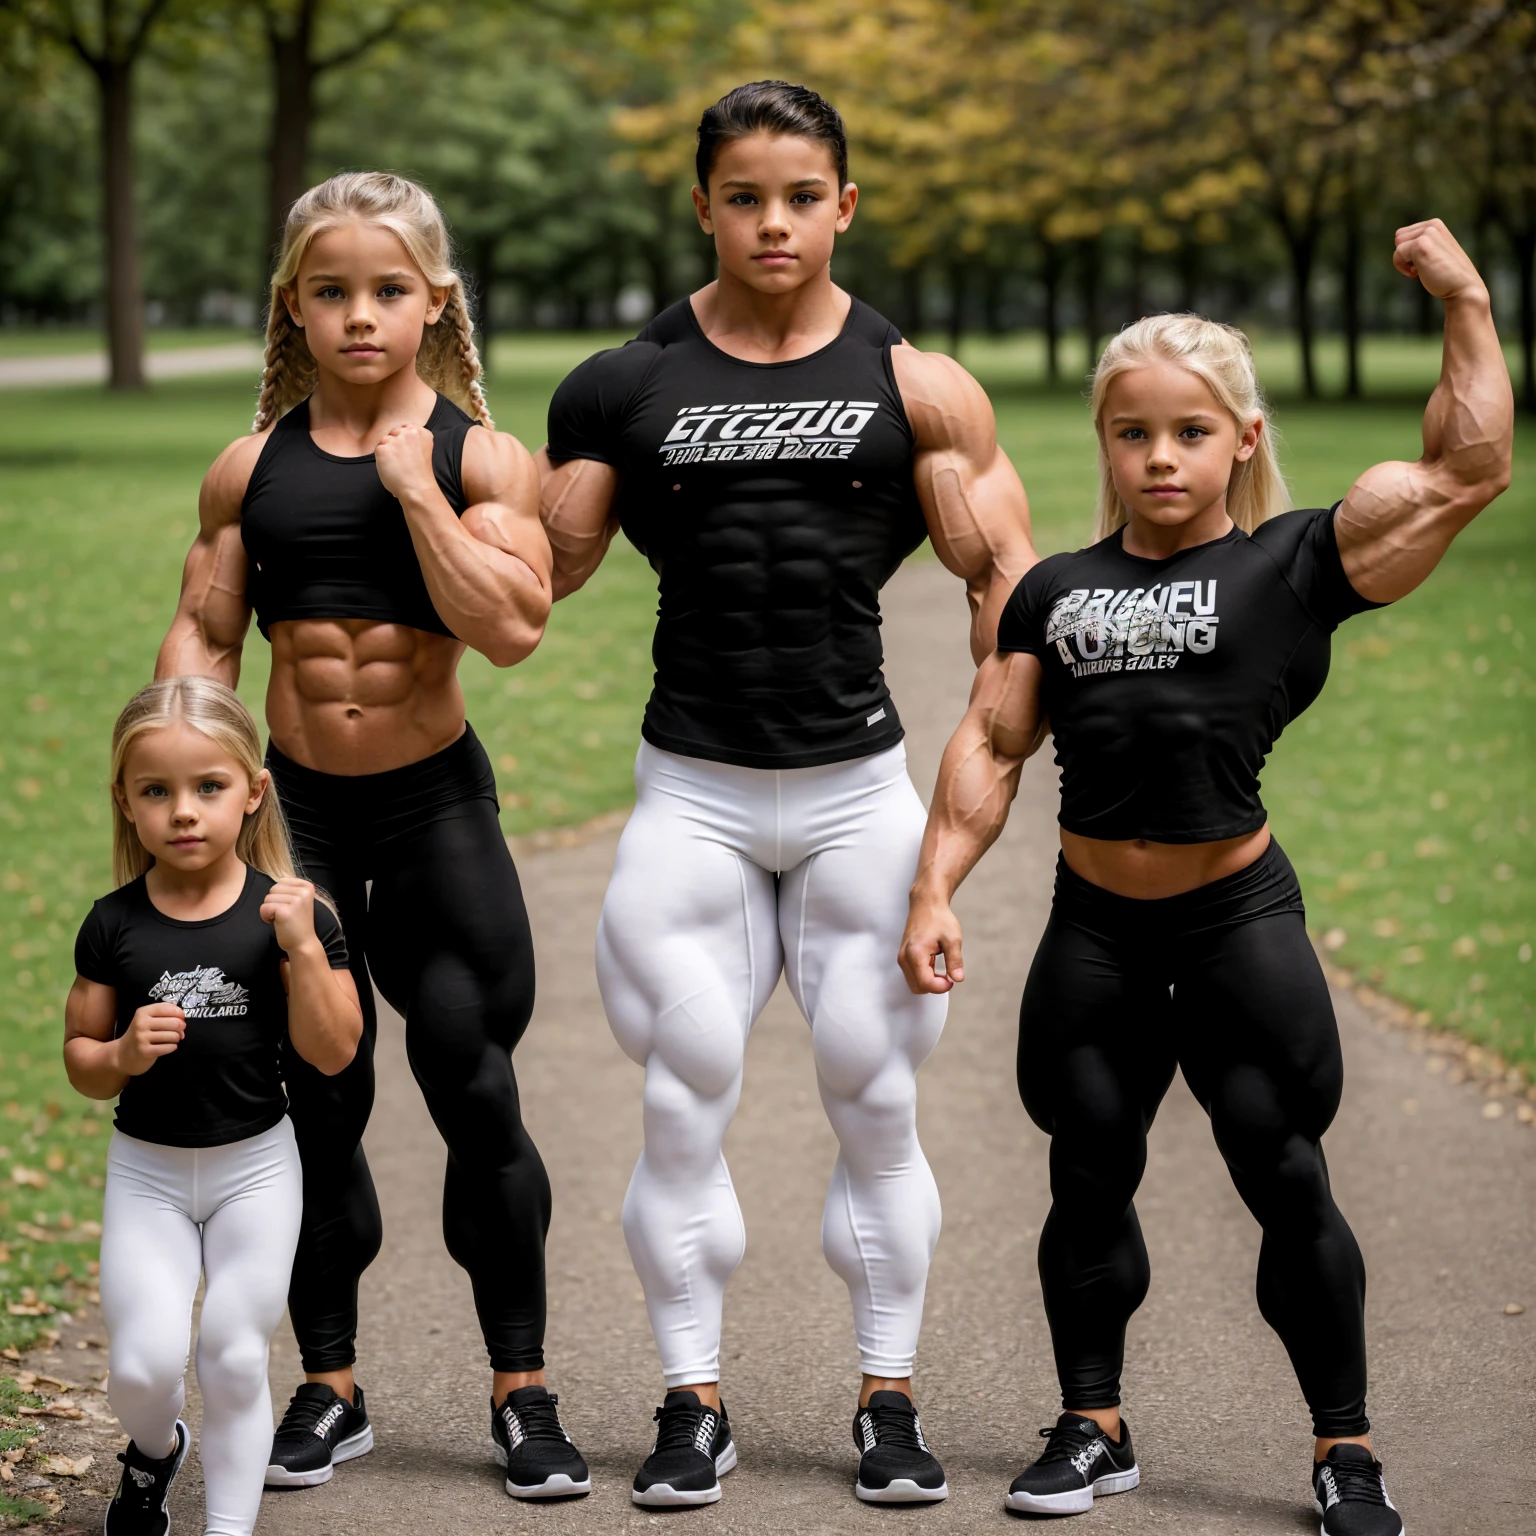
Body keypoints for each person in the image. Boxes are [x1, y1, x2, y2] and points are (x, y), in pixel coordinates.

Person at [899, 219, 1512, 1531]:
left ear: (1241, 436)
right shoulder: (1052, 590)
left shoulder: (1299, 561)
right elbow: (994, 741)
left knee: (1284, 1175)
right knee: (1086, 1172)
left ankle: (1343, 1447)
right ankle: (1092, 1423)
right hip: (1094, 934)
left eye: (1188, 431)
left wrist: (1464, 297)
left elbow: (1469, 468)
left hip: (1236, 925)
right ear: (1108, 443)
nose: (1159, 456)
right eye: (1133, 432)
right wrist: (935, 887)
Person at [538, 80, 1035, 1507]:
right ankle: (693, 1400)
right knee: (683, 1098)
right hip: (689, 790)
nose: (772, 222)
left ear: (845, 205)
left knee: (875, 1096)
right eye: (743, 196)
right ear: (702, 205)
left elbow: (1004, 598)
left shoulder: (919, 385)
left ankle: (888, 1396)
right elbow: (532, 583)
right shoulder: (623, 386)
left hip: (853, 793)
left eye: (801, 196)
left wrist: (966, 815)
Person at [156, 172, 590, 1500]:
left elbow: (514, 627)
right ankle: (330, 1385)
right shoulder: (250, 467)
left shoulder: (477, 458)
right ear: (294, 304)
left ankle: (522, 1391)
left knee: (475, 1096)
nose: (360, 315)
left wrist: (413, 492)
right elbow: (207, 637)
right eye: (332, 291)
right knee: (311, 1112)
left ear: (435, 302)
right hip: (300, 824)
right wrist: (189, 762)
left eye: (388, 291)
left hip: (433, 813)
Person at [64, 677, 363, 1536]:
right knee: (141, 1369)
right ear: (126, 800)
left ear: (253, 791)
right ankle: (156, 1453)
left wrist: (303, 946)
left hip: (255, 1169)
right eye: (156, 791)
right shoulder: (113, 925)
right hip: (149, 1174)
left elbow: (333, 1050)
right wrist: (120, 1053)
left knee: (234, 1353)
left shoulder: (288, 914)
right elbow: (82, 1063)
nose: (184, 811)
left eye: (208, 787)